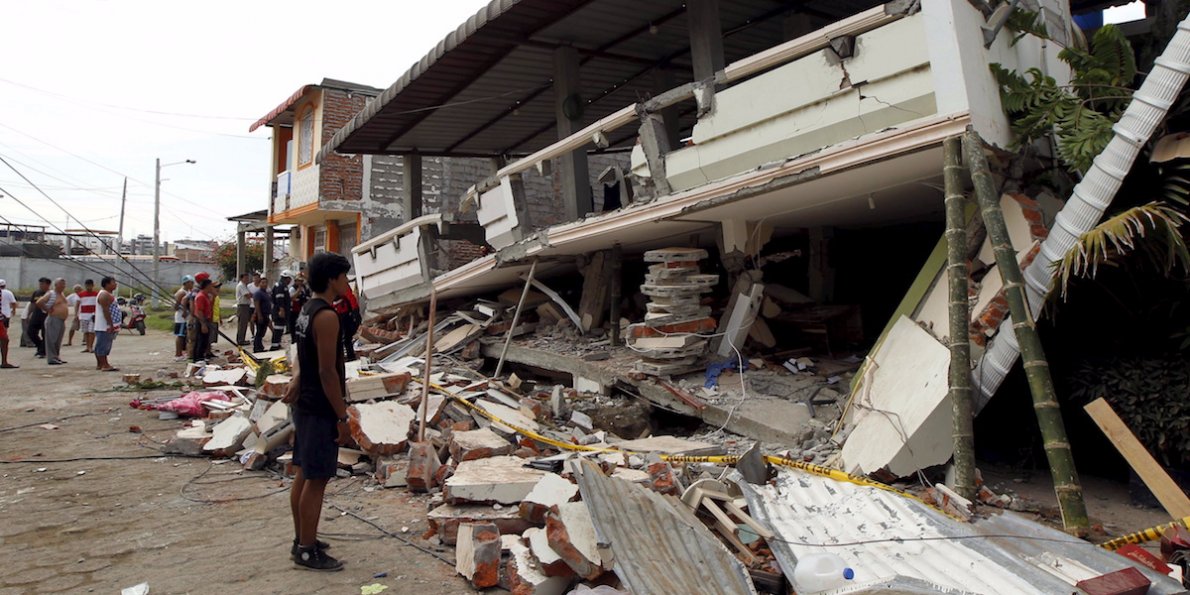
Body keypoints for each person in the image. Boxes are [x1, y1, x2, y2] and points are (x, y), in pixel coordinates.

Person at [283, 252, 352, 571]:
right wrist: (342, 416)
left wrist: (297, 376)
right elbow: (327, 372)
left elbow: (300, 355)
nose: (347, 283)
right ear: (332, 279)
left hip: (305, 403)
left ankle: (303, 538)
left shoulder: (306, 310)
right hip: (319, 406)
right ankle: (307, 549)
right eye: (344, 277)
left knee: (303, 472)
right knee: (317, 478)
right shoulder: (326, 316)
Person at [37, 278, 69, 365]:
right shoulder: (51, 294)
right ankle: (51, 358)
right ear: (56, 285)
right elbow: (40, 302)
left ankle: (56, 356)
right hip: (54, 318)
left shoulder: (61, 294)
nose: (63, 286)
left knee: (58, 340)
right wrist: (47, 309)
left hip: (61, 320)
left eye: (64, 284)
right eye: (61, 284)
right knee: (52, 339)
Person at [93, 276, 120, 372]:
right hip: (104, 325)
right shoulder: (104, 295)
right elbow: (106, 311)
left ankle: (100, 364)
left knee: (102, 344)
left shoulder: (107, 294)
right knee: (103, 345)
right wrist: (110, 324)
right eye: (113, 282)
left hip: (106, 325)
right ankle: (104, 364)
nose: (115, 284)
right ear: (107, 284)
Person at [332, 284, 361, 362]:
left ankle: (349, 357)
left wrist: (355, 311)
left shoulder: (340, 284)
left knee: (346, 338)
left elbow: (350, 297)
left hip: (344, 314)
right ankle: (345, 358)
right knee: (342, 338)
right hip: (337, 314)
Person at [191, 279, 215, 363]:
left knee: (204, 340)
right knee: (201, 341)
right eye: (211, 285)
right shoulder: (201, 296)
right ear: (207, 286)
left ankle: (200, 358)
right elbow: (199, 311)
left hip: (206, 320)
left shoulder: (206, 295)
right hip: (202, 320)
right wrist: (203, 324)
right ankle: (198, 359)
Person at [26, 277, 51, 357]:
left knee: (45, 334)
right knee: (30, 332)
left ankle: (42, 351)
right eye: (40, 284)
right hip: (36, 315)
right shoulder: (37, 292)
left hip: (46, 316)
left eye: (42, 284)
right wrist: (29, 313)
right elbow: (32, 304)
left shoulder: (51, 294)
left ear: (48, 285)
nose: (40, 285)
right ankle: (40, 346)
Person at [173, 276, 195, 361]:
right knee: (180, 335)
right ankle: (178, 354)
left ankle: (183, 352)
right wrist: (184, 310)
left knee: (185, 335)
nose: (192, 284)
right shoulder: (181, 292)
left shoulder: (188, 291)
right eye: (191, 282)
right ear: (186, 283)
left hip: (186, 316)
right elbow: (176, 306)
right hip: (181, 317)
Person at [270, 272, 292, 350]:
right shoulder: (280, 286)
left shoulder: (281, 285)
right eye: (289, 279)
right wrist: (281, 309)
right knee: (278, 329)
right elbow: (280, 299)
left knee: (280, 329)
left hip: (279, 310)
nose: (290, 281)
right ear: (287, 278)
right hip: (279, 311)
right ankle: (274, 346)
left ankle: (277, 344)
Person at [252, 275, 273, 353]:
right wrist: (259, 315)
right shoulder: (258, 293)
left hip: (266, 314)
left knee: (263, 331)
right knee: (259, 332)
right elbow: (257, 305)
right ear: (259, 283)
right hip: (261, 314)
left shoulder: (266, 293)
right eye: (263, 283)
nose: (264, 284)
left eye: (266, 283)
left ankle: (260, 346)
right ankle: (257, 347)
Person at [0, 279, 17, 369]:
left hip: (2, 317)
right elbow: (14, 303)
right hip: (5, 316)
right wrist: (13, 311)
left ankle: (4, 362)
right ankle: (4, 361)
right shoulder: (8, 292)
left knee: (4, 339)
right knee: (4, 339)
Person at [78, 279, 98, 353]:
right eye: (87, 285)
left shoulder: (96, 294)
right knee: (85, 331)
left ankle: (90, 346)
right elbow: (78, 304)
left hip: (92, 315)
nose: (88, 287)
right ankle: (87, 346)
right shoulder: (81, 294)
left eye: (90, 285)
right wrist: (77, 314)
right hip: (83, 315)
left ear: (93, 286)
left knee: (91, 331)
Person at [289, 276, 311, 340]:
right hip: (294, 310)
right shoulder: (292, 289)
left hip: (302, 309)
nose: (300, 282)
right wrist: (298, 291)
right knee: (293, 325)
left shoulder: (304, 288)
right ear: (295, 281)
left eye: (301, 281)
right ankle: (294, 339)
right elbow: (292, 298)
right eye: (299, 281)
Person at [235, 272, 253, 346]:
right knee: (242, 323)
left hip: (246, 306)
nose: (247, 279)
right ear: (242, 278)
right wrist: (252, 294)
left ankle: (242, 338)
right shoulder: (241, 285)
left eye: (247, 278)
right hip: (242, 306)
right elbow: (247, 295)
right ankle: (240, 340)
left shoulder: (245, 286)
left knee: (244, 323)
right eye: (245, 278)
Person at [208, 281, 223, 358]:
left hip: (215, 318)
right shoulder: (211, 296)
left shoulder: (216, 296)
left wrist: (220, 318)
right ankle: (208, 352)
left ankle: (209, 350)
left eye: (219, 287)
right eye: (216, 287)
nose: (218, 289)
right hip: (211, 318)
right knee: (210, 337)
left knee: (213, 337)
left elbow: (217, 308)